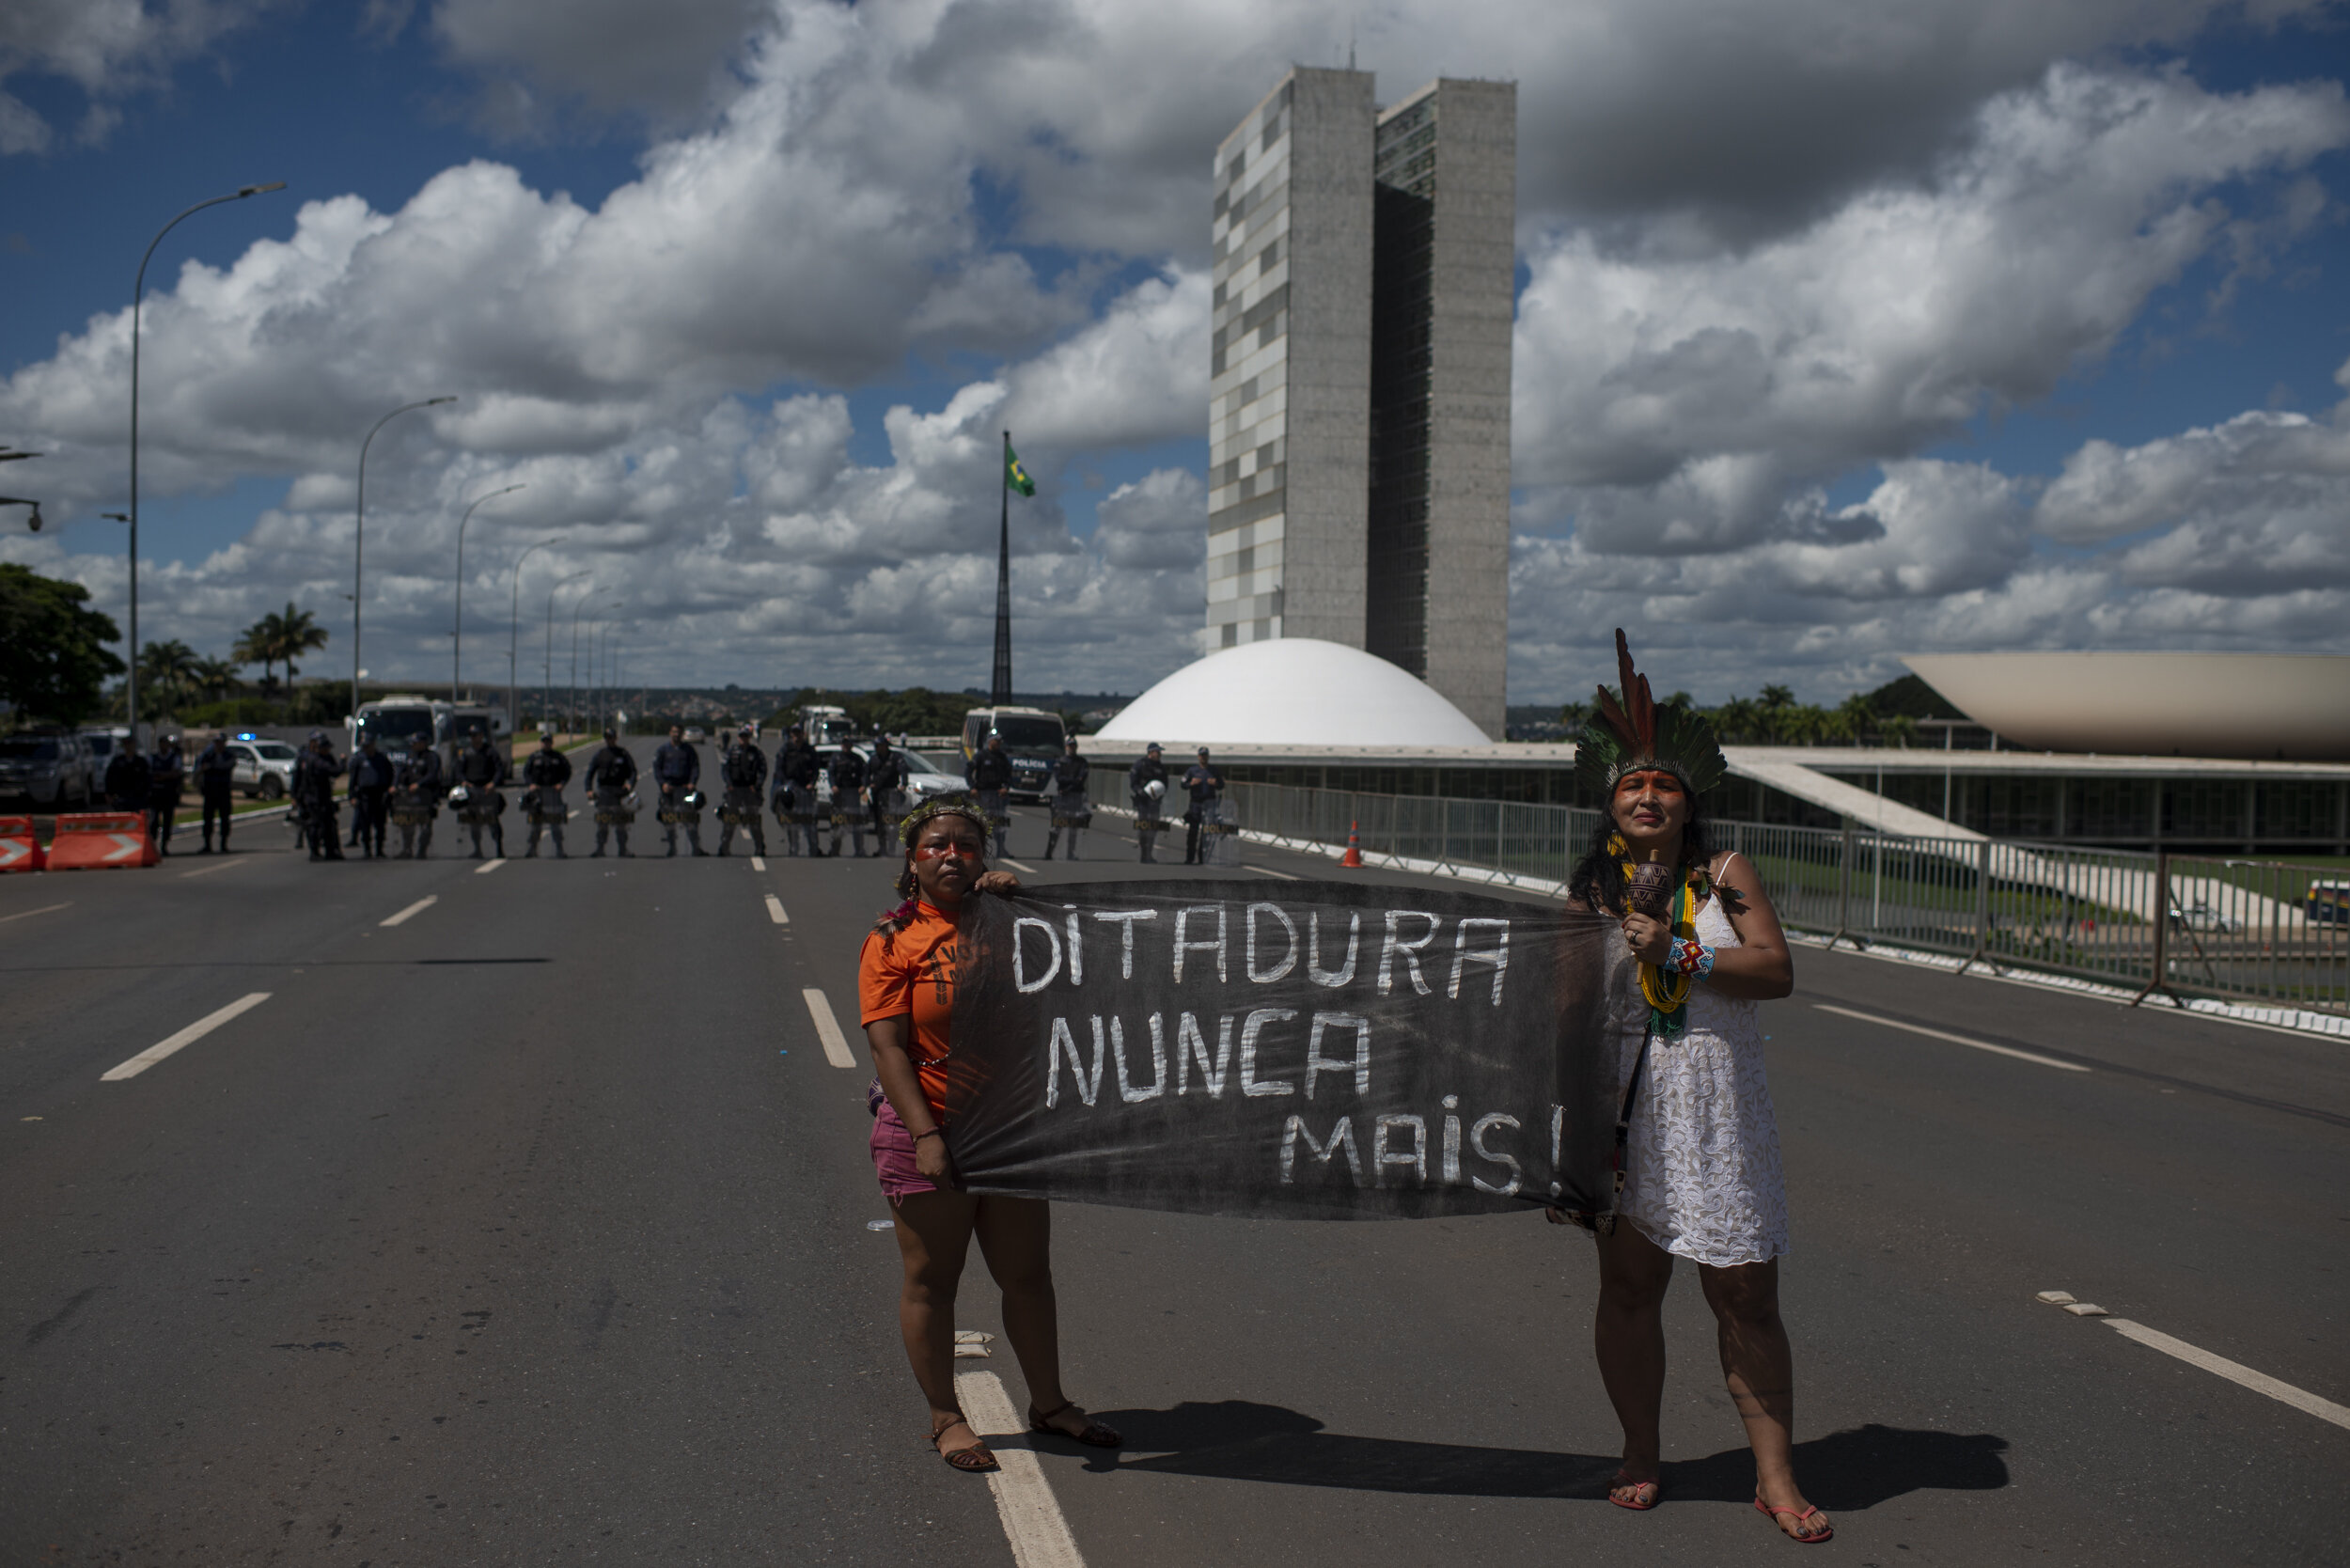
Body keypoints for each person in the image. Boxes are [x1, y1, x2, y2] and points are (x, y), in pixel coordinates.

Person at [1556, 631, 1824, 1544]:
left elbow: (1774, 970)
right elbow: (1562, 1008)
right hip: (1629, 1113)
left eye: (1662, 783)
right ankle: (1640, 1450)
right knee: (1630, 1286)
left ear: (1688, 800)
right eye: (1630, 784)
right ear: (1608, 804)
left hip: (1715, 1109)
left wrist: (1680, 949)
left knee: (1745, 1292)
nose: (1646, 794)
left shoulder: (1725, 876)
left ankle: (1775, 1476)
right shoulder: (1589, 888)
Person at [858, 796, 1123, 1473]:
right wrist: (925, 1134)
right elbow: (888, 1049)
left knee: (1028, 1277)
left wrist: (1022, 906)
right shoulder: (893, 939)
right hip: (932, 1131)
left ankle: (1050, 1404)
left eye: (967, 845)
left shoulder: (1012, 925)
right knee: (932, 1282)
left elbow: (1075, 982)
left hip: (1009, 1133)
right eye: (936, 845)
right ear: (912, 860)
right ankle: (946, 1417)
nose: (952, 854)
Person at [454, 728, 510, 859]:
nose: (474, 738)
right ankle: (477, 849)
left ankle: (498, 848)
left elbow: (499, 770)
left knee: (492, 820)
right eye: (471, 735)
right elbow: (458, 770)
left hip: (487, 790)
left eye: (476, 735)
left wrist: (493, 783)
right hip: (472, 791)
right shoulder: (466, 753)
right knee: (474, 822)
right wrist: (463, 781)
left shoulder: (490, 752)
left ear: (481, 736)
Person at [582, 726, 637, 857]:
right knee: (602, 823)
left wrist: (630, 784)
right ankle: (600, 848)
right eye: (607, 738)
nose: (609, 740)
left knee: (620, 824)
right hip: (604, 792)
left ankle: (623, 849)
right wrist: (588, 790)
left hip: (619, 792)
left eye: (611, 738)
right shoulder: (600, 754)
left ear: (615, 738)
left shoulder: (623, 754)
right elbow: (590, 773)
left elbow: (633, 771)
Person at [652, 724, 706, 856]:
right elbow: (657, 769)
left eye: (678, 732)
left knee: (690, 819)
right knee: (669, 820)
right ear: (670, 733)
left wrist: (692, 783)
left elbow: (695, 767)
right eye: (674, 732)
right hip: (668, 791)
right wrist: (662, 784)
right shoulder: (663, 750)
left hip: (685, 790)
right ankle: (672, 848)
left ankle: (695, 848)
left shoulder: (688, 750)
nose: (676, 734)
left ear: (682, 734)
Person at [717, 725, 768, 857]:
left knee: (754, 821)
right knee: (730, 821)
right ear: (738, 737)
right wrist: (728, 784)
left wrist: (757, 785)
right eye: (741, 736)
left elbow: (763, 770)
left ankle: (759, 847)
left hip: (750, 791)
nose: (743, 739)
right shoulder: (731, 751)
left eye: (746, 736)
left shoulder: (756, 753)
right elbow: (725, 769)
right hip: (734, 790)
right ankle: (724, 847)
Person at [295, 731, 346, 861]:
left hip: (323, 798)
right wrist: (343, 762)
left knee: (329, 825)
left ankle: (330, 851)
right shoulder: (315, 760)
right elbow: (335, 771)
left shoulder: (323, 757)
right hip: (315, 799)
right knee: (315, 825)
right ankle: (315, 852)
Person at [774, 724, 822, 856]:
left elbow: (816, 769)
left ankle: (813, 850)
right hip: (791, 788)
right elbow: (779, 768)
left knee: (809, 820)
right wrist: (784, 784)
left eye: (799, 733)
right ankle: (794, 850)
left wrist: (812, 783)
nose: (796, 736)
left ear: (803, 734)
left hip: (806, 788)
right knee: (792, 822)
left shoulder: (809, 750)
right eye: (794, 733)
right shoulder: (786, 749)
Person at [522, 730, 572, 857]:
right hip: (538, 793)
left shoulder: (558, 757)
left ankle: (559, 850)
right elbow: (526, 773)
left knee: (555, 824)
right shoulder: (534, 757)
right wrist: (531, 784)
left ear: (552, 743)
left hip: (553, 793)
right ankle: (532, 850)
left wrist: (562, 783)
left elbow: (567, 771)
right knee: (535, 825)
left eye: (548, 741)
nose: (546, 744)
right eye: (544, 741)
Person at [964, 731, 1013, 860]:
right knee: (982, 823)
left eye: (999, 742)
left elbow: (1009, 774)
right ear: (990, 741)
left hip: (998, 795)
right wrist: (972, 787)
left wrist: (1006, 787)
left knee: (999, 823)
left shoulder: (1002, 757)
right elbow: (968, 771)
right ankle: (979, 850)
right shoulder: (981, 755)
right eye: (996, 741)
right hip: (983, 794)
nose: (998, 744)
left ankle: (1001, 849)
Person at [391, 732, 441, 859]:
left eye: (416, 743)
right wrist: (395, 785)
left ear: (423, 743)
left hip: (425, 796)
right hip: (408, 796)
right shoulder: (410, 756)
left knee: (424, 824)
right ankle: (407, 849)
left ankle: (422, 850)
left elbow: (433, 774)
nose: (413, 745)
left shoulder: (431, 757)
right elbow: (400, 771)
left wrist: (419, 784)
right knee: (407, 823)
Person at [347, 734, 395, 858]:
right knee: (365, 824)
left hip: (379, 794)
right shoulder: (359, 759)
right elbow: (353, 779)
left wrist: (391, 788)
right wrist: (352, 796)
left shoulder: (381, 758)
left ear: (373, 745)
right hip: (365, 796)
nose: (366, 748)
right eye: (364, 746)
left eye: (368, 746)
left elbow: (390, 774)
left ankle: (379, 850)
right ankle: (367, 850)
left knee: (380, 824)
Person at [1042, 737, 1090, 860]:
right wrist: (1073, 781)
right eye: (1070, 746)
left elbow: (1081, 779)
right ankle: (1049, 852)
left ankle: (1071, 853)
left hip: (1076, 797)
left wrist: (1070, 783)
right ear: (1066, 747)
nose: (1072, 748)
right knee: (1057, 826)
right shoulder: (1061, 761)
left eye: (1074, 746)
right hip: (1062, 798)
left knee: (1074, 827)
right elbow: (1059, 778)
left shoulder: (1082, 762)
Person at [193, 733, 237, 854]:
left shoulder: (229, 755)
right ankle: (207, 844)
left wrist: (211, 766)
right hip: (210, 791)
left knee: (225, 818)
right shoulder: (208, 755)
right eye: (216, 742)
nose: (218, 745)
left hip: (223, 791)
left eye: (220, 742)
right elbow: (199, 768)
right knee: (208, 819)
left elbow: (227, 765)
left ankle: (224, 844)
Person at [1180, 746, 1223, 865]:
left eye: (1205, 755)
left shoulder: (1213, 770)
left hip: (1209, 804)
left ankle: (1203, 857)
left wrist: (1216, 783)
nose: (1203, 757)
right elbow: (1182, 784)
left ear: (1208, 757)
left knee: (1206, 832)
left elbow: (1221, 785)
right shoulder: (1192, 770)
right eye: (1201, 755)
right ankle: (1190, 858)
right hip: (1196, 804)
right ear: (1198, 757)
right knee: (1193, 831)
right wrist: (1191, 783)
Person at [867, 735, 911, 848]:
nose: (877, 748)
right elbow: (866, 773)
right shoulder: (873, 758)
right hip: (877, 793)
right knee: (880, 822)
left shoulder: (895, 757)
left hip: (891, 793)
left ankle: (891, 846)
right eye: (876, 746)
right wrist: (867, 784)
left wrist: (904, 783)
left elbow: (903, 770)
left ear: (885, 746)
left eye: (879, 746)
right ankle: (882, 848)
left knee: (892, 821)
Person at [1127, 743, 1168, 863]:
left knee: (1153, 828)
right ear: (1151, 752)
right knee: (1144, 827)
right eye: (1158, 751)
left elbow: (1165, 784)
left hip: (1155, 802)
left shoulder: (1161, 767)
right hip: (1143, 802)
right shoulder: (1140, 764)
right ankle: (1143, 853)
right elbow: (1133, 782)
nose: (1160, 754)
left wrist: (1159, 794)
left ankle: (1149, 853)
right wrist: (1141, 791)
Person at [827, 741, 870, 858]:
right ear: (841, 745)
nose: (846, 746)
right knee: (837, 822)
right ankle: (835, 850)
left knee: (856, 822)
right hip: (839, 794)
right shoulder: (836, 758)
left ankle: (859, 850)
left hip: (853, 794)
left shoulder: (857, 759)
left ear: (851, 745)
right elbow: (830, 773)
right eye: (844, 744)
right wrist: (833, 785)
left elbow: (865, 773)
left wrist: (863, 785)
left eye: (848, 744)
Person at [145, 734, 184, 855]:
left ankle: (164, 845)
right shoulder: (153, 757)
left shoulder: (174, 758)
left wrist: (163, 776)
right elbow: (149, 773)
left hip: (168, 794)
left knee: (167, 821)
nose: (164, 746)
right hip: (155, 795)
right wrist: (163, 775)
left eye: (166, 743)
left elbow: (176, 773)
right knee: (154, 821)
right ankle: (153, 846)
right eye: (162, 743)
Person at [103, 740, 151, 816]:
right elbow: (109, 777)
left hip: (138, 797)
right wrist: (109, 793)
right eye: (126, 744)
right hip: (121, 796)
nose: (128, 747)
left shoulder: (141, 761)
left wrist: (147, 794)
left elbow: (148, 779)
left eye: (130, 744)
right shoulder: (117, 761)